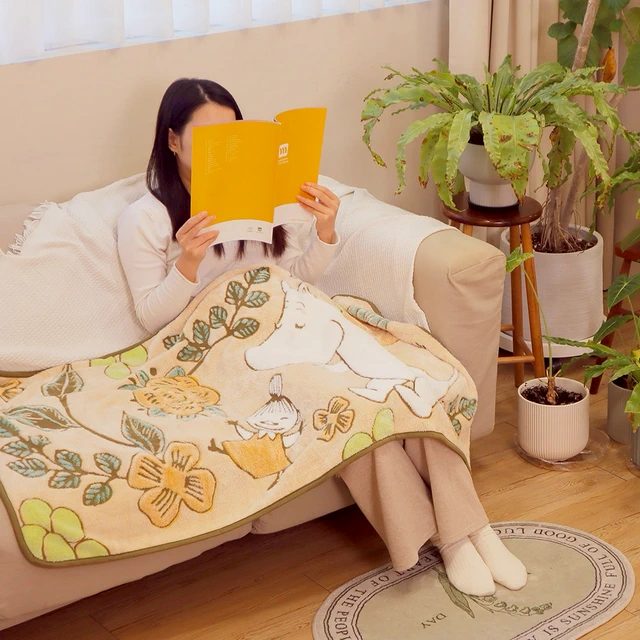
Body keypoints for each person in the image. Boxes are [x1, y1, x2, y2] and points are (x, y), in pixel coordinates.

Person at [117, 78, 527, 597]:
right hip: (229, 347)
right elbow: (151, 319)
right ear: (173, 140)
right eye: (208, 138)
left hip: (294, 313)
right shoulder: (146, 217)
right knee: (348, 403)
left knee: (402, 384)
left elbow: (294, 276)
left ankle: (474, 530)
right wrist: (189, 264)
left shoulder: (259, 195)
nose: (224, 149)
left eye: (232, 135)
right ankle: (451, 539)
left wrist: (327, 230)